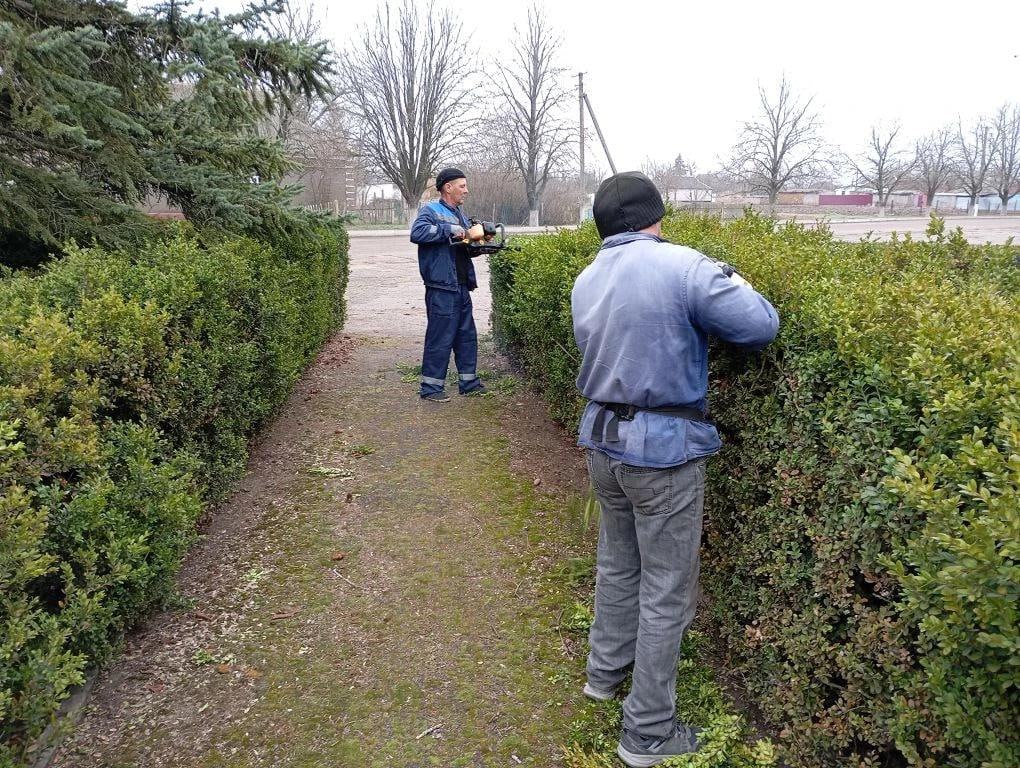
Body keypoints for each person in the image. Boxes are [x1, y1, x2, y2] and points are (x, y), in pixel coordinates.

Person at [571, 171, 779, 767]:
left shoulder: (587, 278)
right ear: (655, 218)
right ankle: (647, 733)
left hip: (604, 444)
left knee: (617, 564)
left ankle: (604, 675)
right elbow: (761, 325)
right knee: (667, 591)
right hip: (662, 451)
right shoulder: (683, 265)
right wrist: (730, 274)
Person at [409, 167, 487, 402]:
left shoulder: (461, 215)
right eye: (462, 186)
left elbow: (460, 248)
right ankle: (431, 389)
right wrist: (448, 230)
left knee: (466, 336)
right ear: (447, 187)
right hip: (442, 287)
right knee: (440, 337)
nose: (466, 190)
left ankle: (469, 383)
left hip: (461, 285)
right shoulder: (430, 211)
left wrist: (479, 245)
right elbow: (417, 233)